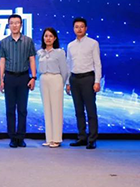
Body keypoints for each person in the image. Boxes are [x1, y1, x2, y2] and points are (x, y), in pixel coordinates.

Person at [0, 14, 37, 148]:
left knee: (22, 108)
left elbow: (32, 59)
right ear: (8, 25)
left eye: (17, 23)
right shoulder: (4, 42)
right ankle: (12, 137)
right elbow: (2, 61)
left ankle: (21, 137)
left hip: (23, 77)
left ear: (21, 25)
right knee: (10, 109)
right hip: (9, 77)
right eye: (12, 23)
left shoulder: (28, 41)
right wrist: (1, 79)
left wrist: (33, 77)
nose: (14, 25)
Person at [66, 17, 102, 150]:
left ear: (86, 28)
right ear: (73, 29)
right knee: (78, 110)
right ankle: (81, 137)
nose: (79, 29)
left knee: (91, 110)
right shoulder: (70, 45)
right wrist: (68, 82)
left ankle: (92, 139)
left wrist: (97, 81)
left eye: (81, 27)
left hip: (88, 78)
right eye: (76, 27)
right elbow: (68, 64)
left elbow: (97, 63)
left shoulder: (93, 43)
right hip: (74, 79)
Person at [37, 27, 69, 148]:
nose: (48, 38)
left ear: (55, 38)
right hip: (43, 79)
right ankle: (49, 138)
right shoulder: (40, 53)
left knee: (56, 109)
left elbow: (64, 70)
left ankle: (57, 139)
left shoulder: (60, 52)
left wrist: (62, 83)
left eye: (51, 36)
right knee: (47, 109)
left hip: (56, 79)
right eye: (46, 36)